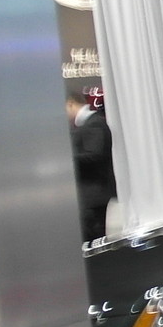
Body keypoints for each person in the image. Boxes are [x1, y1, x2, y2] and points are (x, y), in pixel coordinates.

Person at [67, 91, 115, 243]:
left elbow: (95, 156)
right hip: (90, 196)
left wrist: (66, 160)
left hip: (94, 197)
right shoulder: (89, 125)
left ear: (70, 104)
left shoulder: (95, 124)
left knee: (93, 240)